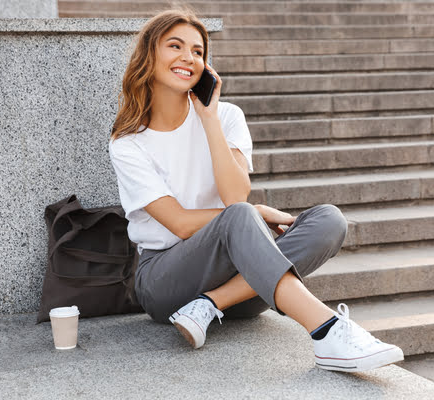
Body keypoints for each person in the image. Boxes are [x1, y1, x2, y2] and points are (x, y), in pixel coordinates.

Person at [108, 7, 404, 373]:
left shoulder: (226, 117)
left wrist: (208, 119)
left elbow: (235, 196)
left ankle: (210, 303)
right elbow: (182, 224)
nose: (189, 58)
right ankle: (327, 331)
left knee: (329, 220)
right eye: (175, 46)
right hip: (164, 282)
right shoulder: (128, 144)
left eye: (198, 51)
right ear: (149, 56)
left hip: (242, 287)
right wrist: (258, 213)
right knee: (243, 215)